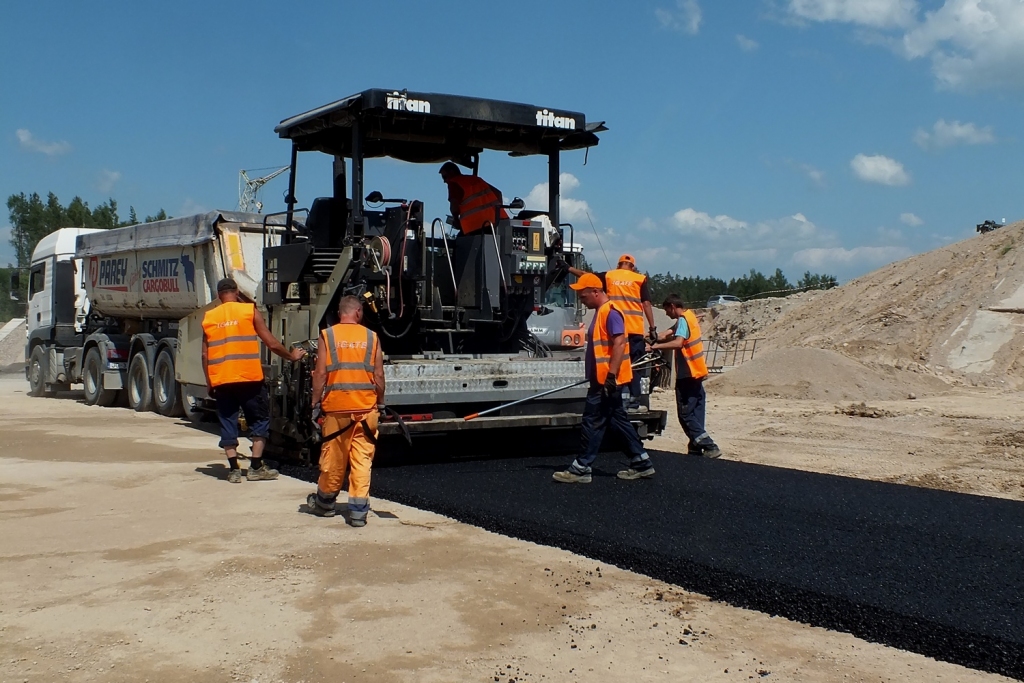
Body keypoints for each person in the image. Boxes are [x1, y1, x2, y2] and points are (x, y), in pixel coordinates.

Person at [202, 278, 306, 483]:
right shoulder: (248, 311)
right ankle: (256, 467)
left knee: (227, 421)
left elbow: (205, 355)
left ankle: (233, 470)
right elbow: (271, 342)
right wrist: (291, 356)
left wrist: (209, 382)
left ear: (218, 295)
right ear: (237, 291)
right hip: (248, 378)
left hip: (222, 379)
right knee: (259, 420)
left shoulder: (209, 317)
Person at [553, 273, 655, 483]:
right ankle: (641, 461)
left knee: (593, 421)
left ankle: (581, 467)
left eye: (583, 295)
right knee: (617, 420)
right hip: (603, 380)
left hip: (606, 382)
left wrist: (611, 375)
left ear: (596, 292)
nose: (581, 299)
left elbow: (619, 343)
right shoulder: (601, 312)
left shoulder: (611, 312)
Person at [305, 295, 386, 527]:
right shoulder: (372, 337)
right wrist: (380, 402)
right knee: (362, 460)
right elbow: (379, 375)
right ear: (359, 312)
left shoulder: (327, 335)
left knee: (334, 457)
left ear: (341, 313)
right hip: (365, 410)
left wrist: (314, 403)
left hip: (337, 409)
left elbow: (320, 374)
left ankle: (325, 502)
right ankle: (359, 512)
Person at [568, 254, 656, 407]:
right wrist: (652, 327)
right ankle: (633, 398)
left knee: (615, 361)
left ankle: (618, 396)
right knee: (634, 365)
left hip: (612, 325)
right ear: (632, 267)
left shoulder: (609, 276)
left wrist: (568, 268)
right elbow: (646, 304)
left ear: (618, 264)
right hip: (634, 329)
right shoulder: (639, 279)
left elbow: (586, 277)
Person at [649, 294, 722, 459]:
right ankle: (695, 446)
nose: (667, 314)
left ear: (673, 307)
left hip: (687, 374)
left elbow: (677, 343)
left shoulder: (683, 320)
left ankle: (709, 445)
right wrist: (652, 337)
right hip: (697, 372)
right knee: (696, 412)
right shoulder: (688, 317)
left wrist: (654, 347)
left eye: (667, 310)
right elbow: (666, 333)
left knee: (685, 414)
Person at [439, 161, 508, 234]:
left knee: (459, 243)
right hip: (499, 222)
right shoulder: (476, 179)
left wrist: (456, 220)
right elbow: (498, 194)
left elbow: (454, 208)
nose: (444, 181)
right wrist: (496, 215)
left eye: (445, 177)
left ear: (452, 172)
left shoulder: (454, 183)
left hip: (477, 226)